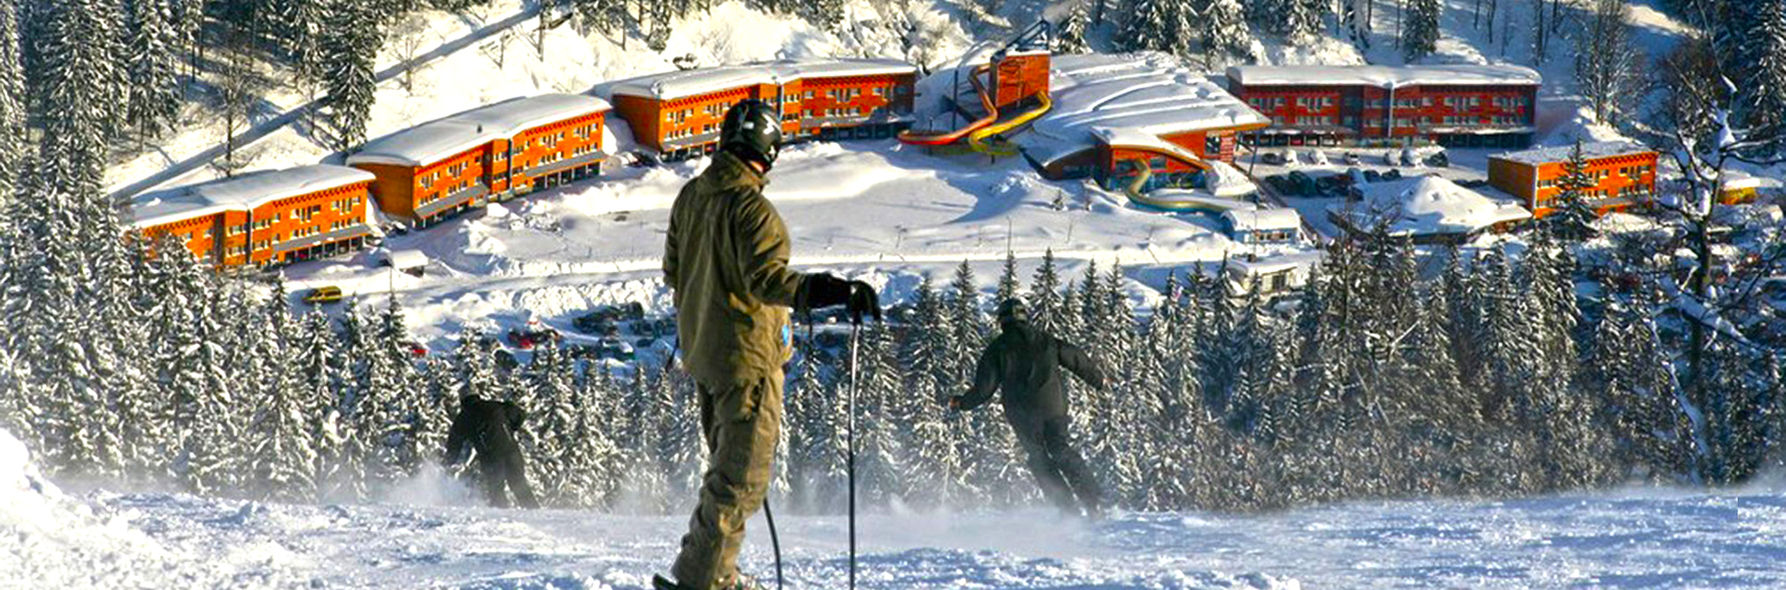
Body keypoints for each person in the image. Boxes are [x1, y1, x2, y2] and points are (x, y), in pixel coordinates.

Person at [656, 99, 880, 590]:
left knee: (727, 475)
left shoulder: (691, 197)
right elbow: (767, 279)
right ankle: (704, 581)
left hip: (706, 358)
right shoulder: (753, 209)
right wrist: (834, 290)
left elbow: (673, 271)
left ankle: (715, 573)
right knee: (741, 482)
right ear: (770, 150)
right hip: (747, 363)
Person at [950, 298, 1106, 518]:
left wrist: (961, 403)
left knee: (1039, 457)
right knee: (1060, 448)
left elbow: (984, 389)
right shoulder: (1046, 340)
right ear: (1025, 316)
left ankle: (1067, 508)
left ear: (1001, 320)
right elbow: (1075, 357)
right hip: (1053, 407)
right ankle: (1093, 501)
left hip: (1022, 413)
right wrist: (1098, 379)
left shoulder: (997, 349)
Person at [443, 395, 541, 509]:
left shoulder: (464, 417)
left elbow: (454, 442)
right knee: (518, 482)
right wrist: (511, 428)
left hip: (490, 456)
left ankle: (501, 514)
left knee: (496, 487)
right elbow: (520, 414)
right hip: (511, 450)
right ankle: (533, 511)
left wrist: (449, 460)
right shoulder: (497, 406)